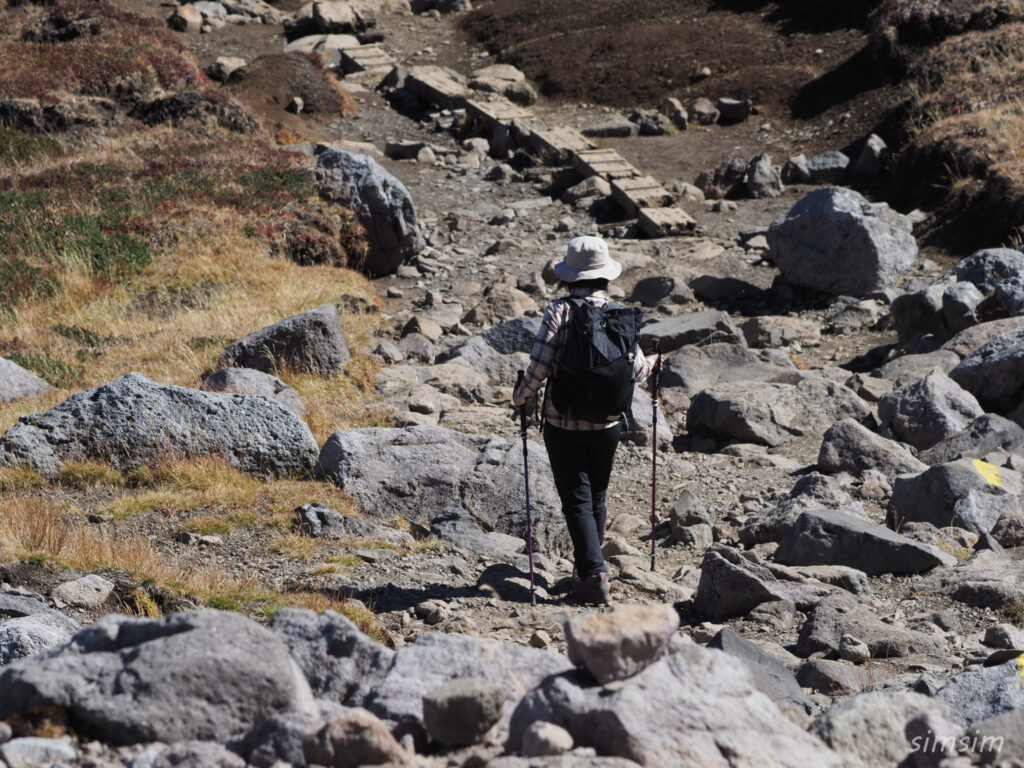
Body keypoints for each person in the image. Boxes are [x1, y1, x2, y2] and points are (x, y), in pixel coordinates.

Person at [513, 236, 657, 605]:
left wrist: (521, 396)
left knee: (575, 498)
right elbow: (638, 370)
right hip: (609, 423)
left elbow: (540, 365)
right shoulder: (617, 315)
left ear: (569, 278)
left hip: (564, 420)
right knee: (595, 495)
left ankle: (593, 574)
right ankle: (585, 571)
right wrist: (656, 363)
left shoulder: (559, 311)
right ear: (604, 277)